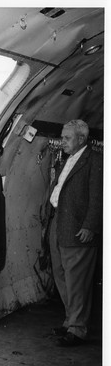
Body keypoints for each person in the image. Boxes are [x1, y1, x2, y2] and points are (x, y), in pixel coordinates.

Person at [48, 119, 103, 347]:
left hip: (79, 228)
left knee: (77, 280)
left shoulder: (95, 161)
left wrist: (90, 225)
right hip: (60, 223)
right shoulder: (69, 159)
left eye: (67, 138)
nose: (62, 142)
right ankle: (70, 320)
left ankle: (78, 329)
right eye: (62, 137)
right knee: (61, 275)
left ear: (81, 139)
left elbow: (99, 197)